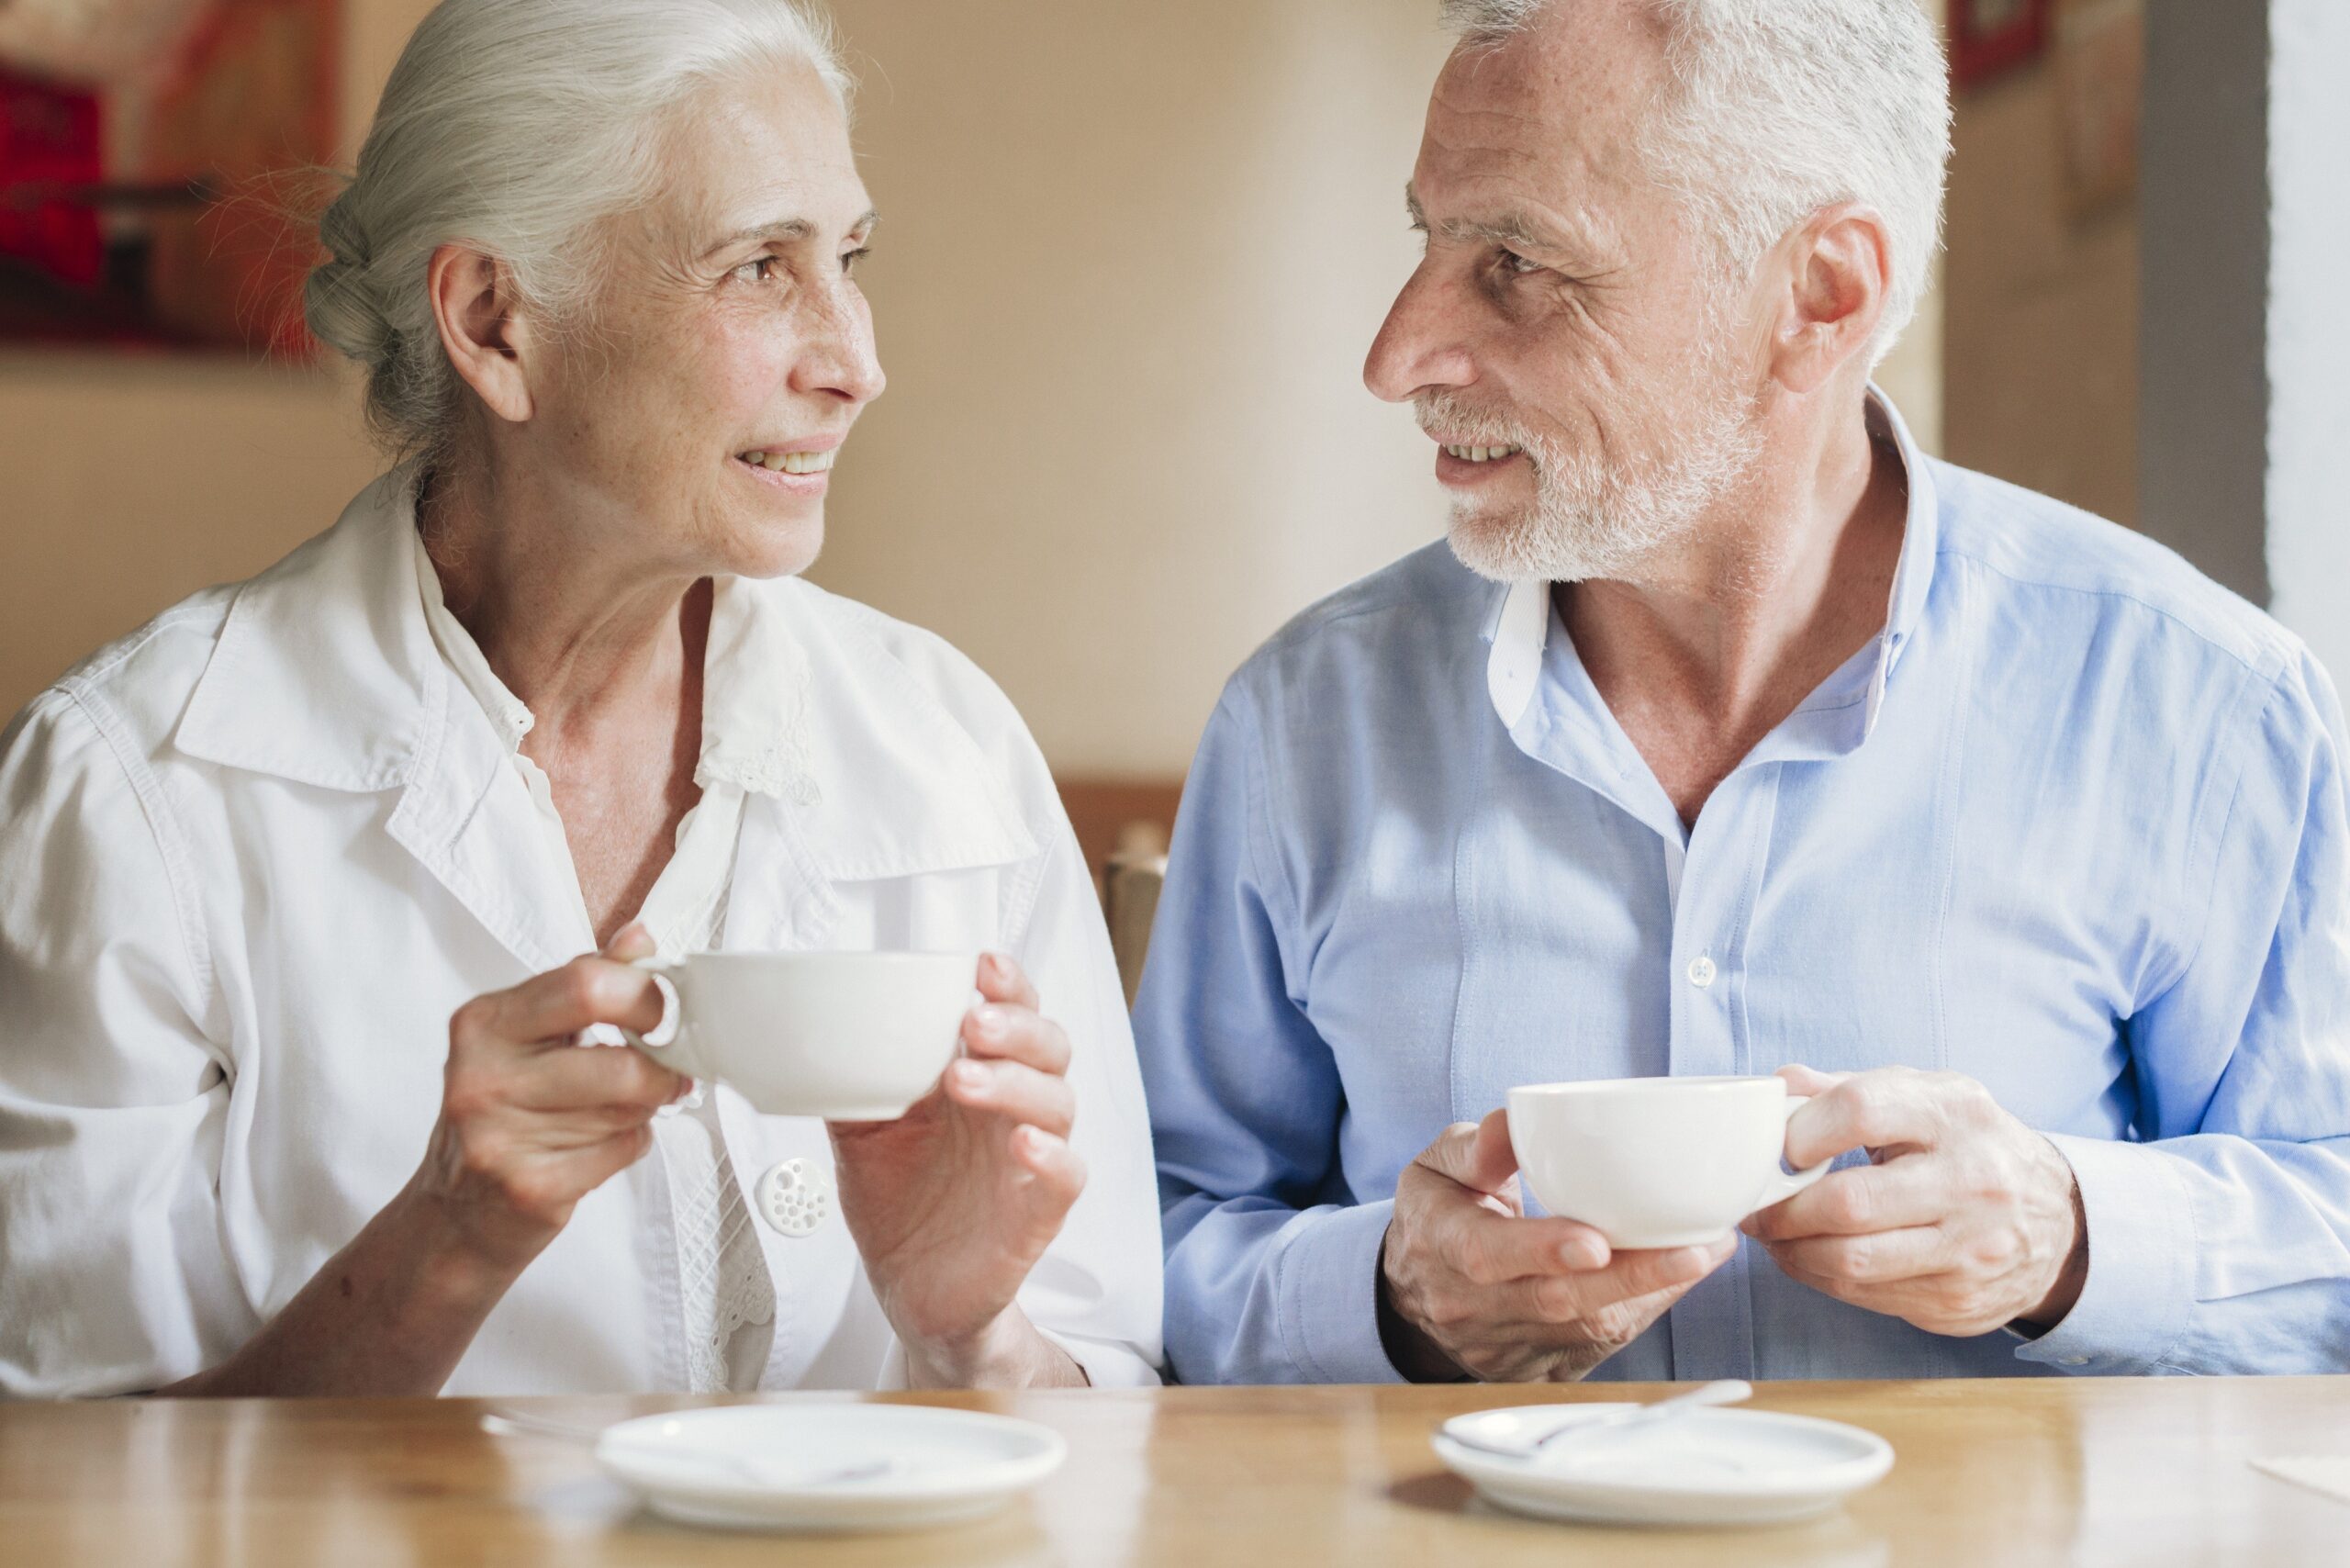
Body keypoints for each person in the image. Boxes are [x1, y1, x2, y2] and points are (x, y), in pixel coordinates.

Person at [1138, 0, 2350, 1386]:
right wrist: (1392, 1301)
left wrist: (2070, 1240)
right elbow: (1152, 1252)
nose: (1398, 355)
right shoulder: (1304, 725)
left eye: (1518, 263)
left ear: (1822, 292)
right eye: (1432, 241)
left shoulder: (2200, 704)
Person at [0, 0, 1160, 1397]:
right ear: (496, 321)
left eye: (848, 258)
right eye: (758, 269)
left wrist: (976, 1333)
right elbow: (66, 1497)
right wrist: (447, 1246)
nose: (856, 359)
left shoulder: (949, 748)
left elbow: (1114, 1437)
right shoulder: (135, 793)